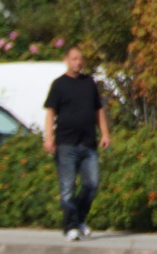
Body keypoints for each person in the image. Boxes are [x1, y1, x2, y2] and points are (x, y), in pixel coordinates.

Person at [43, 45, 110, 242]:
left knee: (92, 184)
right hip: (66, 144)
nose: (78, 62)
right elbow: (50, 113)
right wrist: (49, 138)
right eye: (74, 58)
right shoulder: (59, 85)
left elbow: (99, 110)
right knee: (67, 187)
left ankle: (79, 219)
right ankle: (70, 226)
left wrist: (105, 134)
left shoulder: (89, 83)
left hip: (88, 143)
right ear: (66, 60)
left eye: (80, 59)